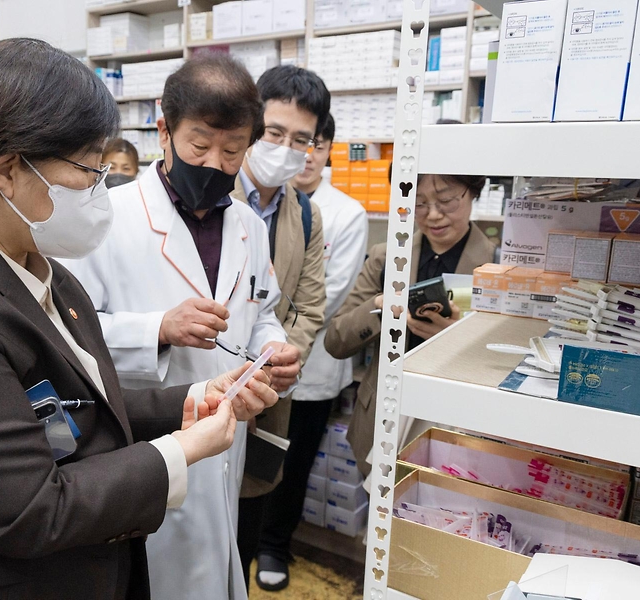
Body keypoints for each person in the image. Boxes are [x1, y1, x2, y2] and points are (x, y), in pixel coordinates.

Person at [0, 39, 280, 600]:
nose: (100, 188)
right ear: (7, 169)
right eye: (88, 168)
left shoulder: (46, 274)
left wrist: (191, 398)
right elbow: (28, 508)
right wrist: (183, 449)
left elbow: (74, 408)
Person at [61, 53, 302, 600]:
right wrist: (158, 329)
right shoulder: (109, 219)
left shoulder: (248, 227)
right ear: (164, 131)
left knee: (218, 564)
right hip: (148, 440)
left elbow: (261, 311)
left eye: (233, 150)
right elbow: (69, 337)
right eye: (199, 145)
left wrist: (275, 349)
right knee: (158, 575)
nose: (215, 163)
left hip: (227, 433)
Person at [252, 113, 368, 591]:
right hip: (252, 359)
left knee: (291, 463)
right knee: (252, 458)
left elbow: (327, 294)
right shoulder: (254, 198)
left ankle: (275, 546)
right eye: (285, 138)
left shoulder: (346, 213)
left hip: (313, 368)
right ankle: (251, 538)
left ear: (326, 151)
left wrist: (269, 326)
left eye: (313, 144)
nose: (301, 153)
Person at [324, 174, 496, 476]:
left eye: (446, 201)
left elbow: (506, 365)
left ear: (473, 192)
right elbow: (336, 340)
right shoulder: (386, 257)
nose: (433, 214)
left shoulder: (497, 265)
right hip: (383, 421)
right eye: (418, 203)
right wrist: (379, 306)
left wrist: (454, 337)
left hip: (457, 422)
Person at [230, 64, 329, 589]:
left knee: (248, 519)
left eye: (301, 139)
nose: (287, 147)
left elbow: (310, 306)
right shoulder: (212, 195)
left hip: (269, 397)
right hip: (203, 384)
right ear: (250, 124)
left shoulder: (305, 215)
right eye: (274, 132)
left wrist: (279, 362)